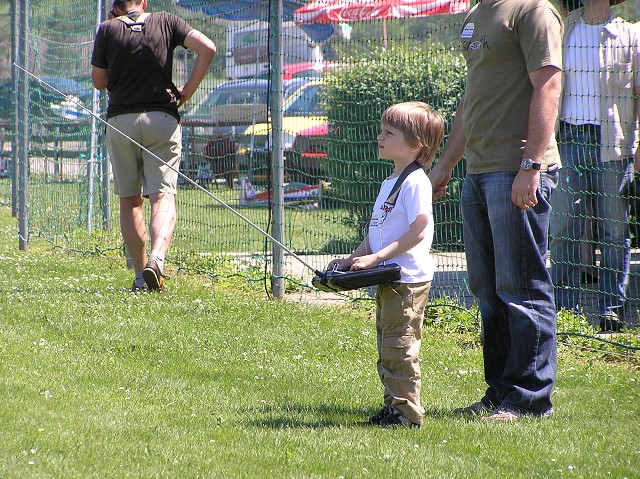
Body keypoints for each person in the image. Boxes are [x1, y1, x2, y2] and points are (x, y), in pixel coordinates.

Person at [428, 0, 563, 420]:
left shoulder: (534, 10)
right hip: (480, 171)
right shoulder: (475, 15)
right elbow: (473, 98)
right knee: (488, 291)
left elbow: (548, 87)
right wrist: (445, 165)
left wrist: (531, 165)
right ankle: (500, 392)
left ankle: (528, 399)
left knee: (521, 288)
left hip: (518, 169)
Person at [327, 102, 444, 429]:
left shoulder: (416, 182)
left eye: (388, 133)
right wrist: (353, 257)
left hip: (406, 281)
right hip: (390, 279)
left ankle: (407, 415)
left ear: (414, 144)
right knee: (388, 344)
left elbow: (419, 228)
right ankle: (393, 407)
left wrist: (377, 259)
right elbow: (376, 233)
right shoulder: (391, 182)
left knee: (400, 347)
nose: (379, 137)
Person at [90, 0, 216, 291]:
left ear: (115, 6)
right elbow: (207, 48)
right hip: (162, 119)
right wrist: (185, 91)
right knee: (162, 196)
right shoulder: (167, 20)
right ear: (143, 2)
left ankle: (138, 278)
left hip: (121, 121)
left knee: (130, 200)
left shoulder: (107, 29)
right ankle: (157, 260)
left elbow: (98, 81)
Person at [549, 0, 640, 332]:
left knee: (614, 231)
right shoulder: (562, 28)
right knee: (562, 227)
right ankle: (563, 310)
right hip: (566, 140)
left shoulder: (631, 34)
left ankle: (610, 310)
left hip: (613, 145)